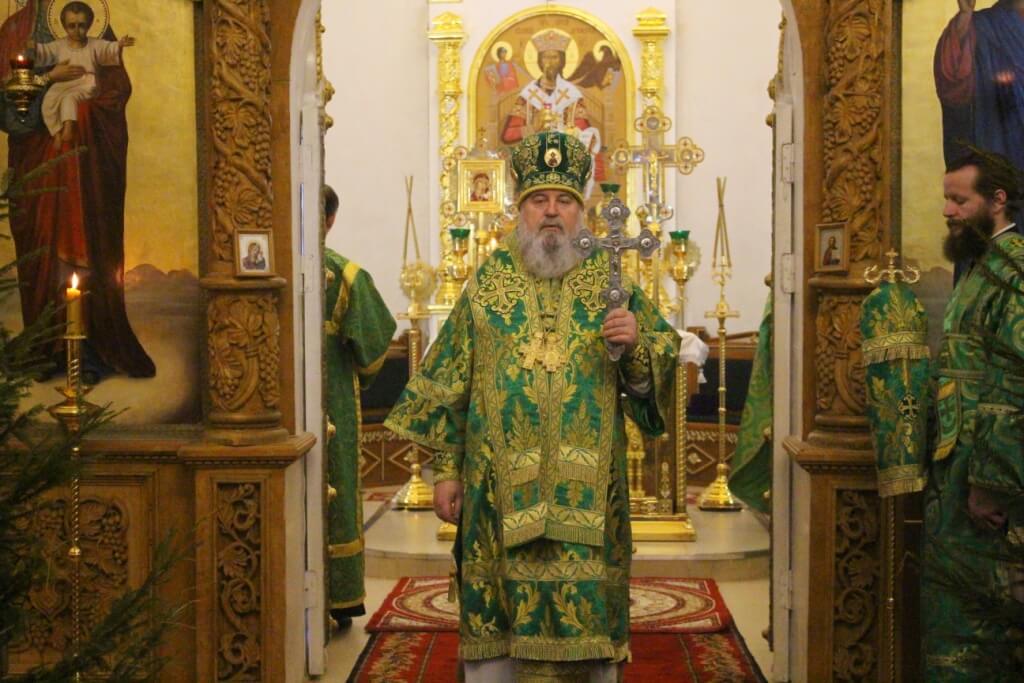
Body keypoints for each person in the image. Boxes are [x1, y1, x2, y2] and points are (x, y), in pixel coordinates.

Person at [385, 131, 680, 682]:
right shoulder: (488, 282)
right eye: (538, 199)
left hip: (589, 493)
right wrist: (446, 471)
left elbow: (655, 373)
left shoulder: (612, 282)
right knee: (499, 636)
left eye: (563, 200)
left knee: (588, 630)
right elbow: (452, 383)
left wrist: (637, 342)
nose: (550, 211)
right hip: (497, 494)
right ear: (518, 209)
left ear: (581, 210)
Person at [0, 1, 153, 379]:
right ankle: (43, 344)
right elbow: (8, 108)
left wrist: (81, 111)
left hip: (86, 168)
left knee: (86, 241)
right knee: (41, 250)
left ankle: (88, 347)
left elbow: (116, 89)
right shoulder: (16, 31)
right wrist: (47, 80)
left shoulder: (96, 30)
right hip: (37, 165)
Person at [922, 150, 1024, 678]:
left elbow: (1013, 382)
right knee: (956, 620)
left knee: (984, 627)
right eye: (947, 199)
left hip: (985, 479)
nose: (948, 211)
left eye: (959, 200)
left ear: (997, 200)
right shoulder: (984, 266)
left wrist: (991, 482)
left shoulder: (1015, 272)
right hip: (958, 470)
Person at [322, 184, 396, 629]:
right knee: (337, 483)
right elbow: (373, 348)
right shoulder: (345, 274)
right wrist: (359, 375)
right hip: (331, 403)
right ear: (331, 220)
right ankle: (341, 597)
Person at [28, 2, 134, 150]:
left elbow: (108, 49)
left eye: (81, 25)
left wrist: (119, 45)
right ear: (64, 26)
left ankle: (68, 128)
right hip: (64, 82)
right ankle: (56, 132)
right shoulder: (59, 45)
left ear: (89, 25)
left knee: (69, 98)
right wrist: (34, 48)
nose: (77, 30)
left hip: (86, 82)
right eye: (72, 26)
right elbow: (45, 52)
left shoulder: (94, 44)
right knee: (48, 101)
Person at [501, 31, 583, 144]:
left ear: (562, 61)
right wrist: (533, 127)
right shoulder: (528, 94)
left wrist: (571, 132)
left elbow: (585, 132)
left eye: (554, 57)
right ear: (539, 61)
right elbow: (508, 135)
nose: (550, 62)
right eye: (546, 57)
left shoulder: (572, 94)